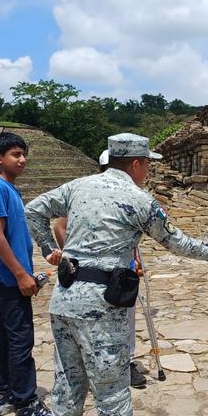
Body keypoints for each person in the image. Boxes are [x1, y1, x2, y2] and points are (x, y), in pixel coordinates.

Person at [25, 133, 208, 416]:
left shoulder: (78, 186)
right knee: (111, 382)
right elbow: (176, 242)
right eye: (148, 164)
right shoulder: (139, 200)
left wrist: (51, 250)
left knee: (68, 377)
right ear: (137, 163)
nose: (149, 170)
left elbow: (33, 210)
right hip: (102, 303)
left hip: (65, 297)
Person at [52, 149, 146, 389]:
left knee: (126, 315)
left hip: (121, 272)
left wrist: (134, 259)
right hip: (90, 276)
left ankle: (128, 360)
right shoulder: (84, 194)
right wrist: (74, 258)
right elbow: (60, 226)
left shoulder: (130, 195)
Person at [0, 132, 51, 416]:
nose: (22, 160)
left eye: (23, 155)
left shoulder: (8, 188)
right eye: (15, 155)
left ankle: (6, 392)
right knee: (21, 338)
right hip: (10, 277)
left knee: (7, 336)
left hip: (10, 275)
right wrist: (21, 274)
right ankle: (25, 405)